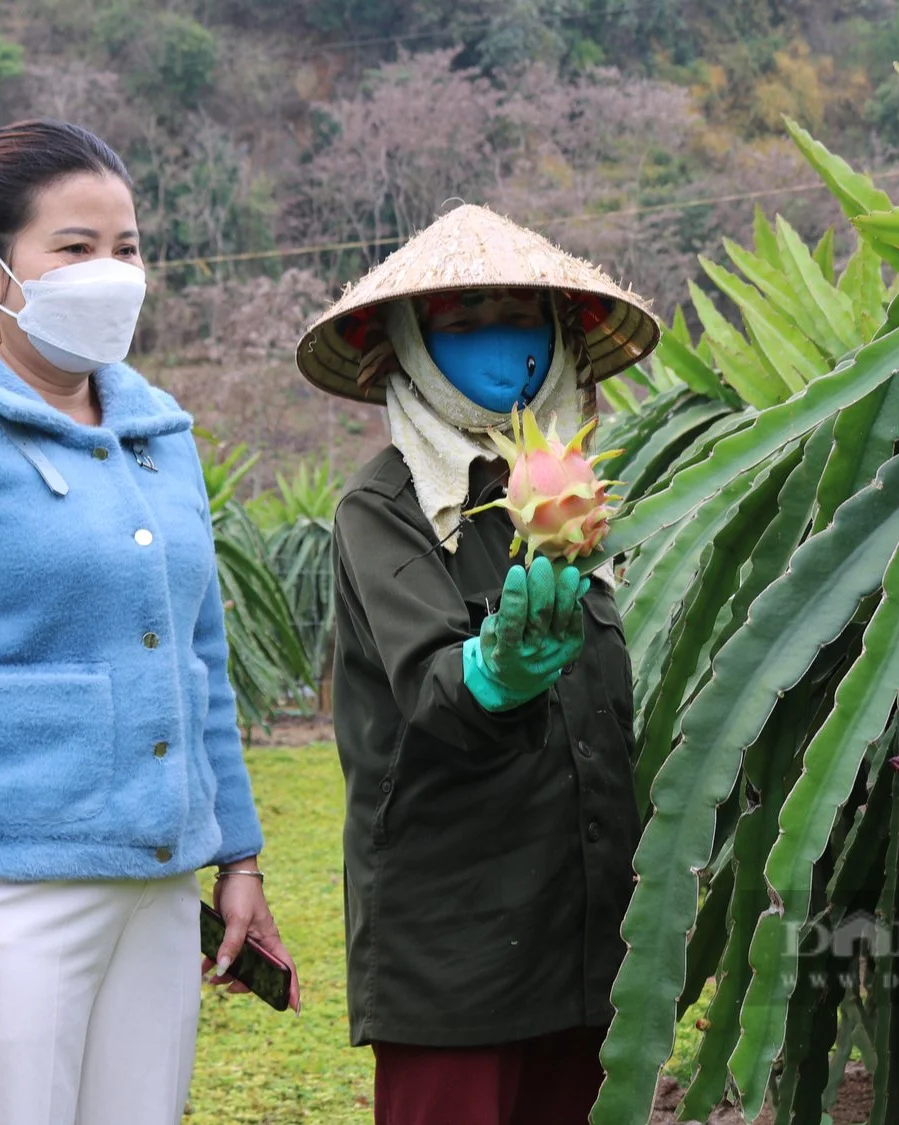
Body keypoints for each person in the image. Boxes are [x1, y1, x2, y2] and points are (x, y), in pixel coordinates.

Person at [0, 119, 290, 1125]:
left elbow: (198, 661)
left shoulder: (157, 434)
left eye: (127, 248)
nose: (109, 272)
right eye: (74, 248)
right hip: (5, 896)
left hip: (157, 891)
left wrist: (237, 856)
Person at [294, 203, 662, 1125]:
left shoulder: (582, 505)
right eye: (461, 319)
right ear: (411, 345)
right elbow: (431, 688)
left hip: (585, 927)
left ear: (559, 335)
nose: (498, 336)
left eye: (518, 313)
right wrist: (498, 673)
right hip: (455, 943)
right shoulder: (388, 508)